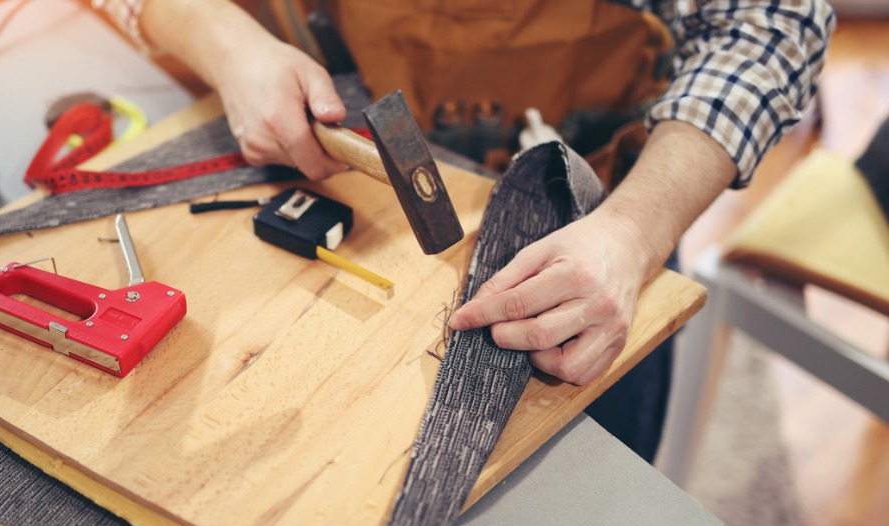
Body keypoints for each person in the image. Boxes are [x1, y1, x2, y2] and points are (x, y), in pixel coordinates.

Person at [90, 0, 835, 462]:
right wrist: (229, 46)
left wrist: (634, 232)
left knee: (572, 518)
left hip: (593, 230)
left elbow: (773, 21)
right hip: (328, 176)